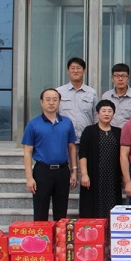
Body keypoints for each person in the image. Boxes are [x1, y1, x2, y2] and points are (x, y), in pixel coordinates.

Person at [21, 88, 78, 221]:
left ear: (59, 102)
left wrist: (74, 171)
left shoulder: (66, 122)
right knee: (40, 212)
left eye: (54, 100)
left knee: (61, 212)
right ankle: (42, 235)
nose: (51, 103)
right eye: (48, 100)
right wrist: (29, 178)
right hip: (42, 171)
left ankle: (60, 234)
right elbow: (27, 152)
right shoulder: (33, 124)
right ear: (41, 102)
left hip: (62, 171)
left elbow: (71, 147)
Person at [78, 100, 123, 218]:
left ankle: (110, 227)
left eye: (110, 111)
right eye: (103, 111)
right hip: (93, 176)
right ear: (98, 113)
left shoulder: (118, 132)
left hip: (113, 176)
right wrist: (84, 174)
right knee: (92, 206)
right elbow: (82, 154)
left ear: (113, 114)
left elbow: (122, 156)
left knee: (112, 204)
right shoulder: (89, 131)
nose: (106, 114)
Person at [56, 57, 97, 143]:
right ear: (68, 71)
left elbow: (96, 117)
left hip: (86, 140)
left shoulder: (92, 92)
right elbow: (54, 115)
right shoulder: (59, 92)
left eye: (78, 68)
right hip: (65, 140)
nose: (75, 71)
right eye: (72, 68)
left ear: (84, 71)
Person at [100, 63, 131, 128]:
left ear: (128, 78)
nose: (120, 79)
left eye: (123, 76)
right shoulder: (106, 96)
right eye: (117, 76)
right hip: (110, 132)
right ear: (112, 79)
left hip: (130, 132)